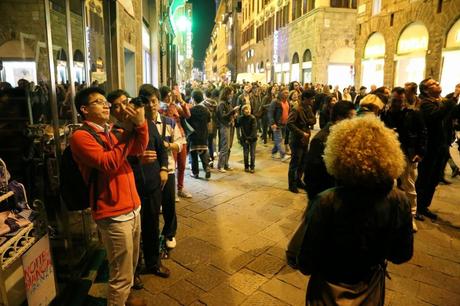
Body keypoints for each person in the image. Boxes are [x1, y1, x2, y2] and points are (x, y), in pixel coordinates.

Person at [297, 115, 413, 305]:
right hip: (370, 286)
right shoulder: (399, 200)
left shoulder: (327, 200)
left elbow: (306, 262)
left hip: (328, 289)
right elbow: (402, 254)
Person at [71, 87, 148, 306]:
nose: (106, 105)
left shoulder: (111, 130)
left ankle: (126, 300)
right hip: (112, 213)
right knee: (120, 275)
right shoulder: (80, 137)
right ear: (84, 110)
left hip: (132, 207)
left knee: (131, 265)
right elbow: (109, 163)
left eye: (106, 101)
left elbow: (139, 149)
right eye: (99, 102)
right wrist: (129, 129)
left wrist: (140, 124)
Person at [108, 90, 170, 283]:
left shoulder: (145, 123)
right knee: (133, 234)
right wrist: (136, 159)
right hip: (130, 189)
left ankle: (153, 262)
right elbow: (114, 162)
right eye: (116, 106)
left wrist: (164, 169)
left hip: (152, 184)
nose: (123, 108)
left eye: (125, 102)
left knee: (152, 226)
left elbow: (160, 148)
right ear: (112, 111)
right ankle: (132, 272)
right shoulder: (113, 132)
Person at [141, 84, 185, 251]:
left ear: (159, 102)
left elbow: (181, 143)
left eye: (153, 101)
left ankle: (169, 233)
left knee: (168, 204)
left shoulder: (169, 123)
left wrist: (168, 145)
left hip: (169, 170)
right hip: (148, 172)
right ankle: (150, 237)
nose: (150, 105)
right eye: (146, 102)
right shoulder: (139, 124)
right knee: (151, 207)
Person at [380, 87, 427, 231]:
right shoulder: (384, 115)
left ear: (404, 100)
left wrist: (420, 152)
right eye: (394, 100)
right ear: (390, 100)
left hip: (408, 155)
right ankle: (389, 215)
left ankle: (411, 217)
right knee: (387, 185)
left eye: (400, 101)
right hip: (388, 154)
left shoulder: (413, 114)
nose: (397, 103)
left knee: (409, 187)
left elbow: (423, 133)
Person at [415, 78, 456, 220]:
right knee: (424, 178)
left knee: (434, 179)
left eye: (437, 82)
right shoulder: (424, 103)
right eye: (433, 84)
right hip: (429, 147)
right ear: (426, 90)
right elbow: (435, 116)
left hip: (441, 146)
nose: (437, 84)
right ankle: (417, 207)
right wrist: (454, 97)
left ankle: (424, 205)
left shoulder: (440, 101)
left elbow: (452, 113)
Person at [303, 101, 356, 200]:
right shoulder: (321, 139)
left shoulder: (344, 135)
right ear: (340, 118)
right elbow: (311, 175)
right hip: (326, 196)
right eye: (351, 118)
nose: (354, 121)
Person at [159, 86, 192, 199]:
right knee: (173, 165)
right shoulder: (161, 108)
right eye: (168, 95)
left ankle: (180, 188)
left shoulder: (175, 106)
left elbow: (187, 114)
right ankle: (172, 191)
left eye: (171, 95)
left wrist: (181, 101)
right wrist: (168, 107)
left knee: (182, 165)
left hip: (181, 137)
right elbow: (165, 120)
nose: (170, 97)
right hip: (170, 139)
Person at [287, 89, 316, 193]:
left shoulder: (308, 107)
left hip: (305, 139)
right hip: (296, 139)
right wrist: (301, 132)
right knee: (295, 163)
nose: (313, 101)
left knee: (303, 163)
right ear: (304, 99)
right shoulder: (296, 109)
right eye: (311, 99)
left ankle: (299, 180)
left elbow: (313, 120)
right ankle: (292, 184)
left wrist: (307, 121)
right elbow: (289, 124)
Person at [188, 89, 211, 179]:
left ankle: (195, 173)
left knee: (193, 155)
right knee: (203, 152)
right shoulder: (206, 110)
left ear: (193, 99)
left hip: (194, 136)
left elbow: (188, 121)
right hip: (203, 134)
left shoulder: (191, 110)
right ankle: (207, 168)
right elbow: (209, 122)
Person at [216, 86, 239, 172]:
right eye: (230, 94)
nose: (231, 96)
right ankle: (220, 165)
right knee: (224, 146)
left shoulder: (228, 103)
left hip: (230, 125)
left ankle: (226, 164)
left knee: (229, 146)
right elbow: (222, 116)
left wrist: (234, 114)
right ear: (226, 94)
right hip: (224, 126)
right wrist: (232, 112)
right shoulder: (222, 104)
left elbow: (229, 114)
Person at [268, 88, 290, 161]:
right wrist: (273, 123)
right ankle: (283, 155)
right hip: (277, 124)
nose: (287, 94)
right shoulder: (275, 101)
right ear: (280, 93)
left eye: (287, 92)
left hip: (285, 124)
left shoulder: (287, 102)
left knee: (278, 139)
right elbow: (270, 113)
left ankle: (273, 153)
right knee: (279, 139)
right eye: (285, 92)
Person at [236, 104, 258, 173]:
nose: (248, 111)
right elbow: (237, 125)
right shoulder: (241, 118)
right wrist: (235, 117)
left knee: (252, 154)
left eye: (249, 109)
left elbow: (254, 129)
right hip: (244, 139)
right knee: (245, 154)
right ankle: (246, 166)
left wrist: (249, 138)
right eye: (246, 109)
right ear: (243, 111)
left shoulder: (253, 118)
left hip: (252, 139)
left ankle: (252, 167)